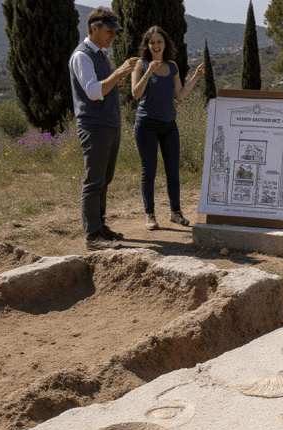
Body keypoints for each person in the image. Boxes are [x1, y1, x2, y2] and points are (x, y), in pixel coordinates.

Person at [68, 7, 138, 251]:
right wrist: (119, 72)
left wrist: (114, 83)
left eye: (115, 33)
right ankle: (92, 236)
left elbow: (103, 88)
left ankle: (100, 227)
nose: (113, 37)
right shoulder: (82, 55)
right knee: (94, 181)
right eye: (109, 31)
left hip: (109, 124)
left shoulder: (100, 54)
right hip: (94, 126)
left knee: (104, 180)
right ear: (94, 28)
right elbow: (93, 91)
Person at [130, 26, 205, 231]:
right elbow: (135, 94)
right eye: (151, 42)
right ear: (147, 45)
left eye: (159, 42)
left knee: (173, 171)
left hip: (169, 125)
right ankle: (150, 215)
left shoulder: (172, 66)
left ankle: (176, 213)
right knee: (149, 171)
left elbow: (179, 95)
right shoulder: (141, 64)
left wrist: (196, 77)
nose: (155, 45)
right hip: (146, 124)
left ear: (165, 44)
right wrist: (148, 73)